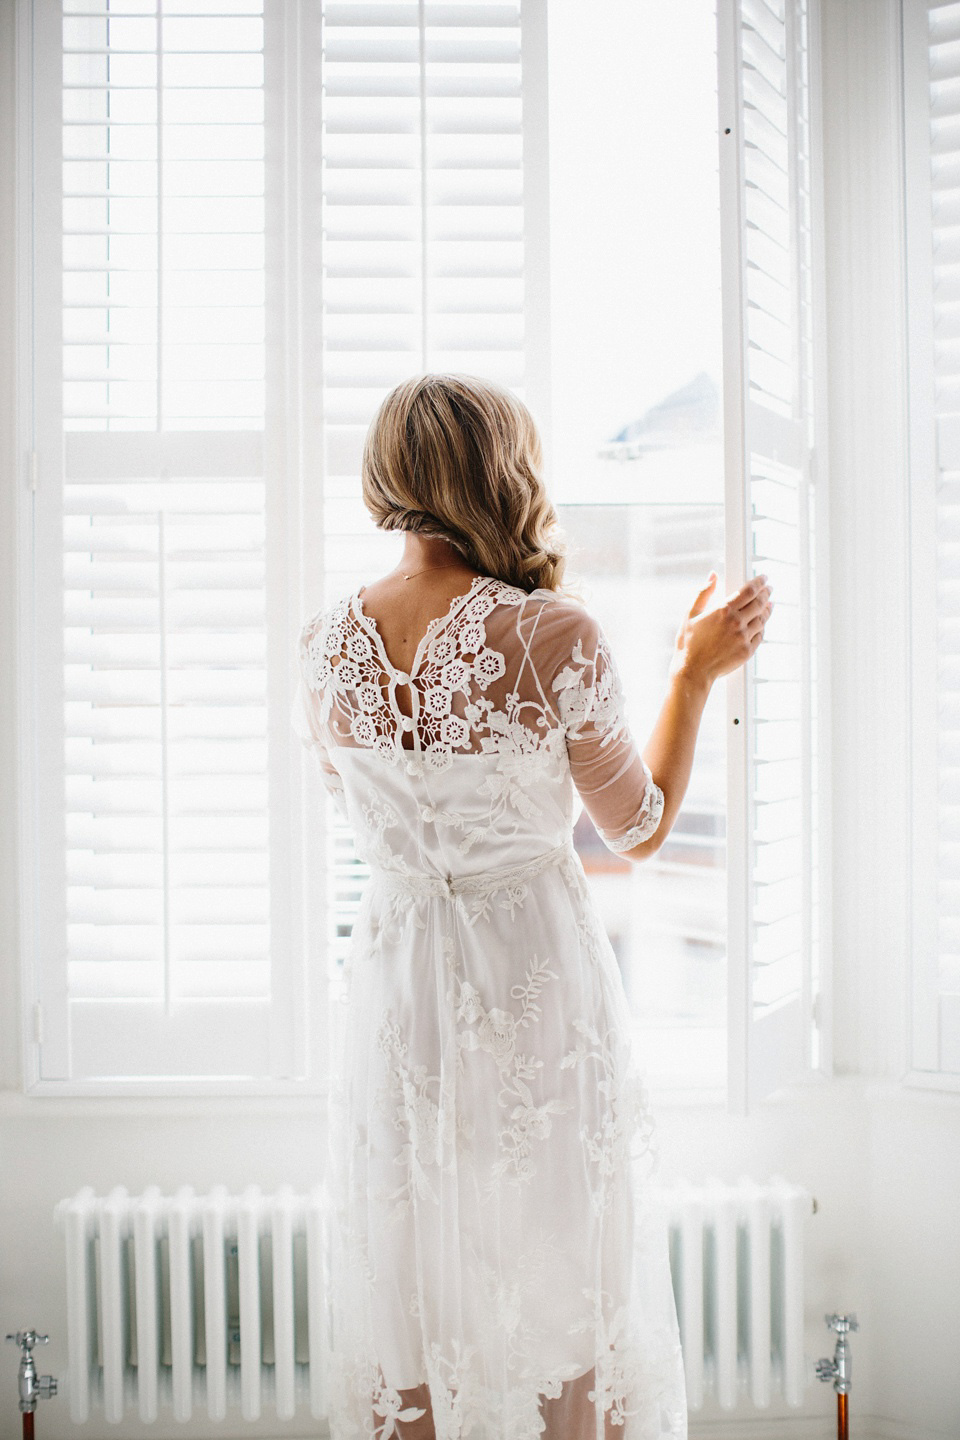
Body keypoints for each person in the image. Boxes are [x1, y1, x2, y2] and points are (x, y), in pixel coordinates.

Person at [291, 373, 774, 1440]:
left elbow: (354, 807)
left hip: (399, 986)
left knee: (414, 1274)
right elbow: (638, 827)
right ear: (502, 472)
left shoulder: (323, 646)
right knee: (561, 1271)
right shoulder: (555, 634)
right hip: (532, 983)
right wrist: (693, 676)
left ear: (389, 481)